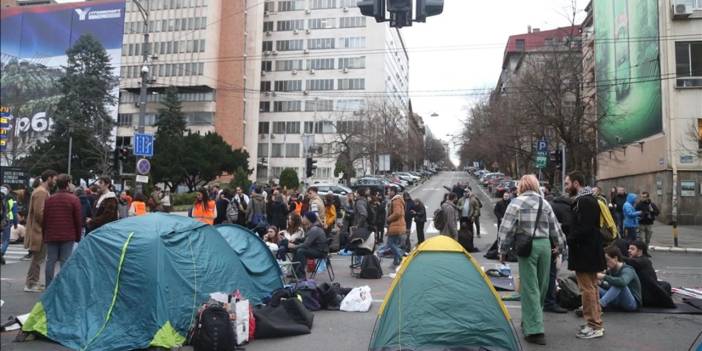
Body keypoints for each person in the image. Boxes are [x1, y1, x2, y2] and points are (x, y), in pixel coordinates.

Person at [498, 175, 564, 345]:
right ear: (535, 186)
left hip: (527, 246)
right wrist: (561, 247)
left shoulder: (515, 203)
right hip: (545, 246)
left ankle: (534, 330)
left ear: (521, 186)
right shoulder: (545, 203)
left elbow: (506, 229)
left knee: (530, 288)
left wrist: (502, 250)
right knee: (541, 286)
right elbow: (555, 228)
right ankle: (531, 321)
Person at [565, 171, 606, 339]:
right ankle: (595, 323)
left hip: (585, 251)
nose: (566, 187)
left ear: (576, 184)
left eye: (567, 184)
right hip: (590, 250)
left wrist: (568, 239)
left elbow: (584, 228)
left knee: (587, 289)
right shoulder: (589, 199)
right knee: (592, 287)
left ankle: (594, 325)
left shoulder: (584, 201)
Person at [42, 174, 82, 287]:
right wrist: (78, 236)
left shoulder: (50, 199)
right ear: (68, 184)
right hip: (68, 235)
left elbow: (45, 219)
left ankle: (48, 286)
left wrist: (45, 234)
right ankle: (62, 287)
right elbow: (78, 220)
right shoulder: (74, 199)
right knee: (65, 262)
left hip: (51, 235)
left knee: (50, 261)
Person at [24, 169, 57, 292]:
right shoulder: (41, 192)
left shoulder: (42, 191)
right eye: (54, 178)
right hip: (39, 231)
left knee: (38, 258)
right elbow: (40, 214)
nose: (55, 181)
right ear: (49, 178)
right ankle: (31, 284)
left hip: (39, 230)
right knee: (37, 258)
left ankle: (33, 282)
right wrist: (49, 225)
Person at [544, 194, 571, 314]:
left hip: (543, 242)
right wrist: (559, 246)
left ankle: (545, 299)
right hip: (553, 243)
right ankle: (550, 301)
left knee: (544, 274)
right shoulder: (566, 209)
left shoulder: (552, 205)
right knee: (552, 273)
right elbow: (560, 229)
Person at [625, 240, 674, 308]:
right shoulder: (640, 260)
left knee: (666, 285)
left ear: (640, 251)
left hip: (646, 295)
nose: (629, 250)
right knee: (665, 285)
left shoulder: (643, 261)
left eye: (632, 249)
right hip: (644, 292)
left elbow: (631, 262)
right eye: (629, 248)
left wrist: (618, 256)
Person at [597, 246, 641, 312]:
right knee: (594, 286)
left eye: (607, 260)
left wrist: (603, 277)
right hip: (617, 299)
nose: (605, 264)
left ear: (615, 258)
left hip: (631, 303)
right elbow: (612, 288)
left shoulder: (628, 270)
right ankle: (588, 305)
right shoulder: (611, 270)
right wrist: (601, 283)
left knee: (620, 283)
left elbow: (622, 283)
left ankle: (599, 305)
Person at [290, 212, 328, 279]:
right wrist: (296, 240)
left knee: (300, 251)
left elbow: (306, 244)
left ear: (308, 219)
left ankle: (301, 275)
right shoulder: (312, 227)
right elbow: (306, 239)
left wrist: (294, 246)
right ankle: (295, 272)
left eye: (304, 217)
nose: (303, 219)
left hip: (320, 251)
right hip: (316, 249)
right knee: (298, 249)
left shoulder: (314, 229)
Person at [385, 187, 406, 267]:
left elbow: (397, 213)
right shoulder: (397, 200)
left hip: (396, 226)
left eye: (389, 191)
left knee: (390, 243)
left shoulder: (396, 200)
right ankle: (396, 261)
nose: (388, 193)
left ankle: (401, 257)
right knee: (395, 244)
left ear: (393, 192)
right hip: (398, 225)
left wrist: (388, 219)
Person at [1, 185, 19, 265]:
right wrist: (15, 223)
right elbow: (14, 213)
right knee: (6, 239)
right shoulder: (11, 198)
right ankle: (1, 253)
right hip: (7, 221)